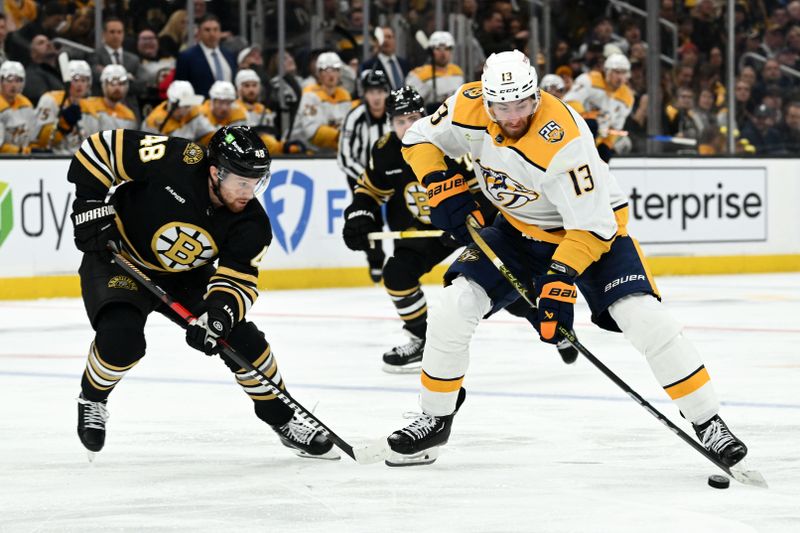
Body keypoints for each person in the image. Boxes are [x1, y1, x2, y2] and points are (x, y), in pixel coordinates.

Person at [385, 50, 749, 469]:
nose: (513, 115)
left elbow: (591, 226)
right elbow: (417, 137)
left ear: (536, 94)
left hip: (594, 233)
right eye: (502, 106)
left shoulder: (565, 140)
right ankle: (435, 416)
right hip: (518, 229)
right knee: (454, 306)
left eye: (522, 103)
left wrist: (559, 283)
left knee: (645, 316)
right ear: (486, 100)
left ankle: (708, 420)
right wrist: (439, 183)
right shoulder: (466, 104)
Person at [68, 125, 338, 461]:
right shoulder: (177, 159)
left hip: (186, 277)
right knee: (121, 341)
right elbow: (101, 146)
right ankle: (93, 398)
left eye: (256, 183)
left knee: (246, 343)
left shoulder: (252, 223)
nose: (249, 192)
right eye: (242, 182)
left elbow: (238, 279)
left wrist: (220, 315)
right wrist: (91, 204)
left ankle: (282, 419)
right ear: (215, 172)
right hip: (119, 258)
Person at [342, 86, 470, 372]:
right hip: (421, 231)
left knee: (503, 285)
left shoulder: (448, 142)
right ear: (390, 123)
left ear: (426, 116)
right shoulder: (386, 150)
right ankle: (423, 341)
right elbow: (369, 191)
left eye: (413, 118)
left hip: (465, 224)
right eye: (400, 121)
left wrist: (472, 221)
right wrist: (360, 214)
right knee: (397, 274)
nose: (407, 126)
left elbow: (482, 190)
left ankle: (547, 322)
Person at [338, 69, 392, 283]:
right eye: (371, 91)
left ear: (387, 92)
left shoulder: (393, 116)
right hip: (360, 175)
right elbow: (344, 156)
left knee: (400, 214)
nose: (376, 97)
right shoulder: (355, 116)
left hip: (391, 173)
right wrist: (367, 178)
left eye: (380, 91)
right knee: (367, 215)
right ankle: (375, 257)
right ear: (365, 94)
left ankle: (403, 257)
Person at [563, 52, 633, 162]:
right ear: (607, 71)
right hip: (574, 132)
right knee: (592, 124)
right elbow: (570, 101)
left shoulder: (627, 97)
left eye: (623, 73)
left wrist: (607, 143)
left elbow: (616, 128)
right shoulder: (589, 80)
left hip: (597, 140)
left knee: (605, 155)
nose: (620, 77)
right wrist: (588, 118)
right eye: (617, 72)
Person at [292, 51, 353, 153]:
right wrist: (342, 137)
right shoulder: (310, 94)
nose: (331, 74)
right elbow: (313, 132)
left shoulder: (345, 95)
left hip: (335, 150)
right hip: (304, 152)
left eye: (335, 70)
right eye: (325, 70)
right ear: (318, 74)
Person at [31, 59, 93, 155]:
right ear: (66, 80)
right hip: (53, 159)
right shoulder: (50, 100)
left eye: (84, 80)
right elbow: (40, 139)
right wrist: (63, 125)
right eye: (75, 79)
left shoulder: (89, 107)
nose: (80, 84)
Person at [174, 14, 237, 97]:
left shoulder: (229, 55)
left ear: (220, 32)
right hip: (199, 107)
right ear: (199, 32)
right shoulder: (187, 57)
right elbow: (180, 88)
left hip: (228, 106)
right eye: (207, 30)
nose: (212, 34)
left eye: (215, 30)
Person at [405, 31, 465, 113]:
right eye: (438, 49)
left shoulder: (457, 71)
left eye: (447, 49)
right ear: (430, 50)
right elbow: (411, 105)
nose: (443, 53)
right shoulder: (418, 74)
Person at [141, 80, 216, 143]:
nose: (189, 110)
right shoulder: (153, 121)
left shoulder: (193, 110)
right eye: (186, 106)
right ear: (172, 104)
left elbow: (210, 136)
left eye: (189, 106)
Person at [83, 64, 138, 132]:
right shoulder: (88, 105)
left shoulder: (129, 115)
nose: (117, 88)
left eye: (121, 83)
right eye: (112, 83)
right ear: (104, 85)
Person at [0, 60, 35, 153]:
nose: (14, 85)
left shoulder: (26, 105)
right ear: (1, 81)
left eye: (18, 80)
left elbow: (32, 138)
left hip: (23, 160)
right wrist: (19, 151)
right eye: (9, 80)